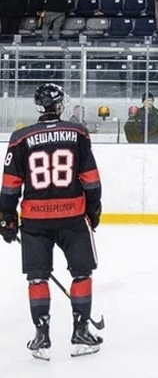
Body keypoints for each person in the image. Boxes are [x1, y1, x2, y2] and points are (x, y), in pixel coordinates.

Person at [0, 83, 103, 358]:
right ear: (59, 105)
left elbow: (10, 184)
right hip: (72, 216)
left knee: (37, 278)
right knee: (82, 273)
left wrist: (7, 216)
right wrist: (93, 209)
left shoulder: (20, 138)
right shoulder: (77, 132)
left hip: (35, 220)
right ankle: (81, 333)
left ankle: (42, 337)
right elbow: (91, 178)